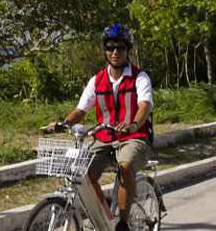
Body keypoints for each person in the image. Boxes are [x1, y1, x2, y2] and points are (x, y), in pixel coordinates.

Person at [44, 23, 153, 231]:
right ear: (104, 50)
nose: (114, 52)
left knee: (125, 166)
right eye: (110, 47)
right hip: (104, 136)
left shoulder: (140, 77)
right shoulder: (97, 80)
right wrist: (63, 123)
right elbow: (81, 110)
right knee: (83, 173)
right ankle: (105, 216)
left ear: (127, 50)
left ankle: (122, 222)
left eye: (120, 48)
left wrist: (133, 124)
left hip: (134, 136)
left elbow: (145, 105)